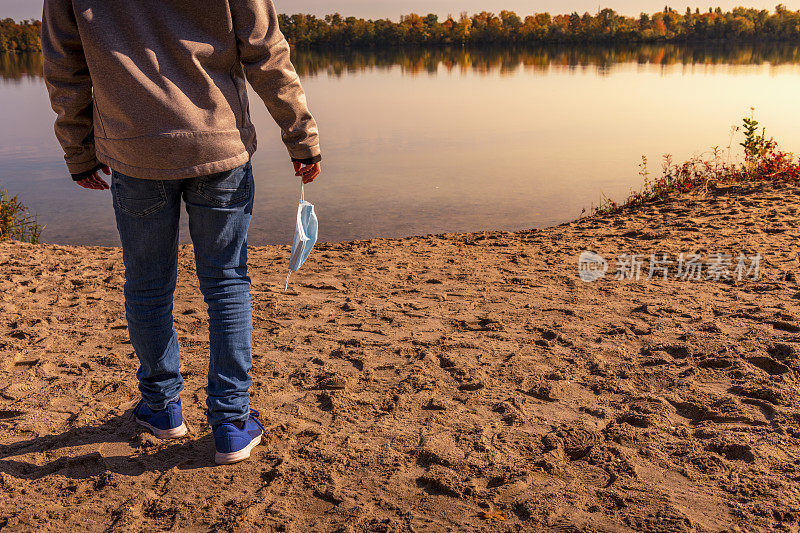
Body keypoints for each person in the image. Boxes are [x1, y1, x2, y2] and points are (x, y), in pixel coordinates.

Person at [41, 0, 321, 465]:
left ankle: (162, 408)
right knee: (227, 281)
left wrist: (78, 149)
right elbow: (267, 53)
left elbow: (64, 68)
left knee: (148, 285)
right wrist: (301, 136)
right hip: (219, 143)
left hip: (135, 151)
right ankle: (231, 424)